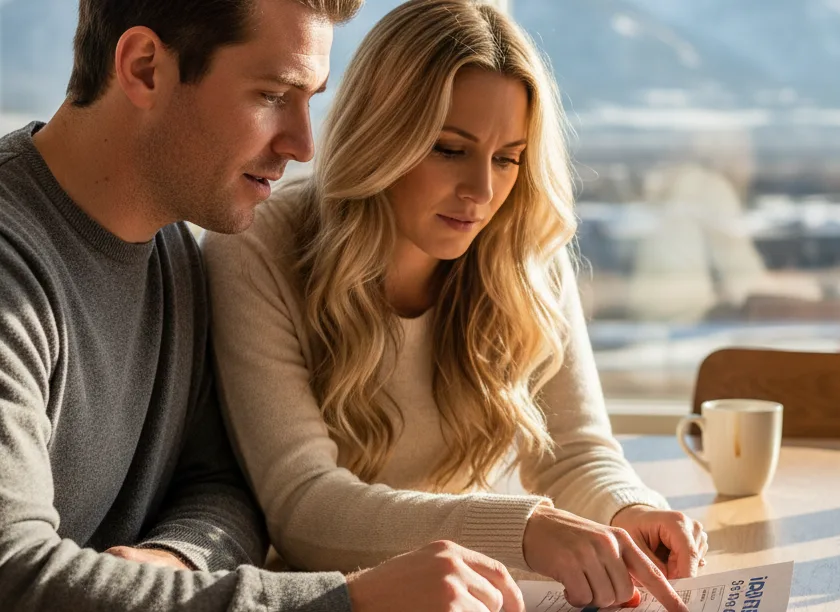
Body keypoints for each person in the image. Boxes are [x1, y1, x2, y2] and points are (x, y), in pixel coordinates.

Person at [0, 0, 526, 610]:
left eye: (311, 99)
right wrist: (347, 601)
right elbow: (14, 575)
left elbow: (221, 488)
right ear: (144, 68)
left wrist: (176, 562)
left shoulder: (173, 250)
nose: (304, 146)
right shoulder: (15, 264)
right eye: (274, 95)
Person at [203, 1, 708, 610]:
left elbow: (575, 452)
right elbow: (304, 506)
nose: (482, 192)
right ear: (381, 134)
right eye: (449, 148)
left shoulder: (523, 249)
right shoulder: (260, 250)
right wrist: (525, 530)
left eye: (507, 158)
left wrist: (633, 510)